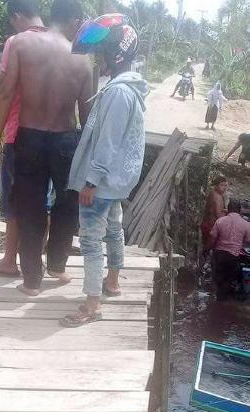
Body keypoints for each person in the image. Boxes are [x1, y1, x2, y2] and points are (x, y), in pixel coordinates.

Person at [0, 0, 93, 296]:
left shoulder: (22, 43)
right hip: (65, 140)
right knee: (67, 203)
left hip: (28, 137)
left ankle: (31, 281)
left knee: (29, 207)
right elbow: (87, 119)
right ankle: (57, 265)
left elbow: (6, 95)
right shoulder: (83, 61)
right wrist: (90, 162)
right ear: (74, 21)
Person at [60, 13, 148, 327]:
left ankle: (92, 305)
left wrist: (91, 180)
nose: (98, 59)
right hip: (115, 184)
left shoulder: (118, 93)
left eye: (101, 54)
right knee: (114, 230)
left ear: (114, 54)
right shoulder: (129, 89)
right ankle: (112, 283)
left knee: (90, 241)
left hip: (101, 182)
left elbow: (107, 142)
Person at [0, 0, 45, 278]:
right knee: (44, 200)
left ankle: (9, 261)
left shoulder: (17, 41)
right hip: (53, 135)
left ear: (17, 16)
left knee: (14, 200)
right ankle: (37, 261)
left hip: (19, 134)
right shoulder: (60, 42)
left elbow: (7, 93)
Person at [211, 199, 250, 300]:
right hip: (233, 257)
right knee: (229, 279)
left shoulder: (220, 221)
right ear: (239, 210)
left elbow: (213, 238)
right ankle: (227, 301)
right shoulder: (246, 224)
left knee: (219, 279)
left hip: (219, 256)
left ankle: (218, 301)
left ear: (228, 209)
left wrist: (210, 249)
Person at [201, 176, 228, 256]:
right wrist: (228, 215)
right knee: (208, 248)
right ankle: (204, 262)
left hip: (207, 223)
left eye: (225, 185)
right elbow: (219, 215)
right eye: (222, 185)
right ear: (216, 186)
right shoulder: (217, 197)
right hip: (211, 226)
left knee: (206, 246)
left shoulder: (213, 193)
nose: (224, 188)